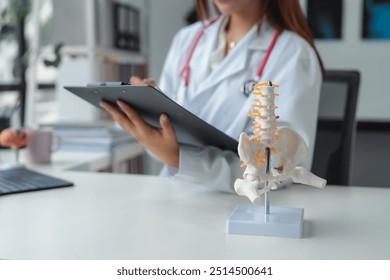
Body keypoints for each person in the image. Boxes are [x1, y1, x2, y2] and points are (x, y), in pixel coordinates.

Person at [100, 0, 323, 192]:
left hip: (243, 204)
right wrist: (143, 107)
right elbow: (162, 137)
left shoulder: (293, 53)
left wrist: (180, 158)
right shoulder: (186, 40)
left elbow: (281, 164)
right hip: (172, 194)